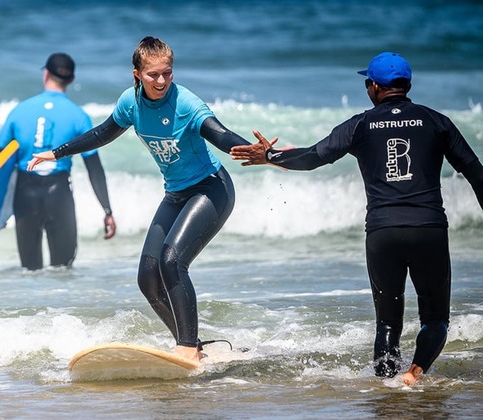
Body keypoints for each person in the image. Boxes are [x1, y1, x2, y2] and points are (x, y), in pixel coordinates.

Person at [230, 52, 483, 385]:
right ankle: (415, 373)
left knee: (388, 323)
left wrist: (270, 155)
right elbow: (475, 173)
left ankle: (387, 388)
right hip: (429, 230)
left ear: (374, 87)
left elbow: (312, 158)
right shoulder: (436, 121)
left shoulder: (360, 125)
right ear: (407, 85)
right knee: (435, 320)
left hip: (382, 233)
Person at [28, 36, 264, 362]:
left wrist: (255, 151)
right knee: (148, 278)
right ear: (138, 73)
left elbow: (218, 133)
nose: (162, 81)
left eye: (167, 72)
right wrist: (56, 153)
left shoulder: (185, 103)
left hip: (211, 189)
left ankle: (187, 348)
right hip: (177, 193)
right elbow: (102, 133)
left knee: (172, 261)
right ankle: (190, 344)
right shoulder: (131, 103)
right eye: (154, 74)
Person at [0, 52, 116, 271]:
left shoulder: (19, 111)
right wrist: (107, 211)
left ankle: (33, 307)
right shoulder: (79, 116)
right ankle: (60, 307)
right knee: (63, 271)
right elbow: (94, 168)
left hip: (24, 194)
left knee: (30, 271)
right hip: (59, 193)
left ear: (46, 74)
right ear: (71, 80)